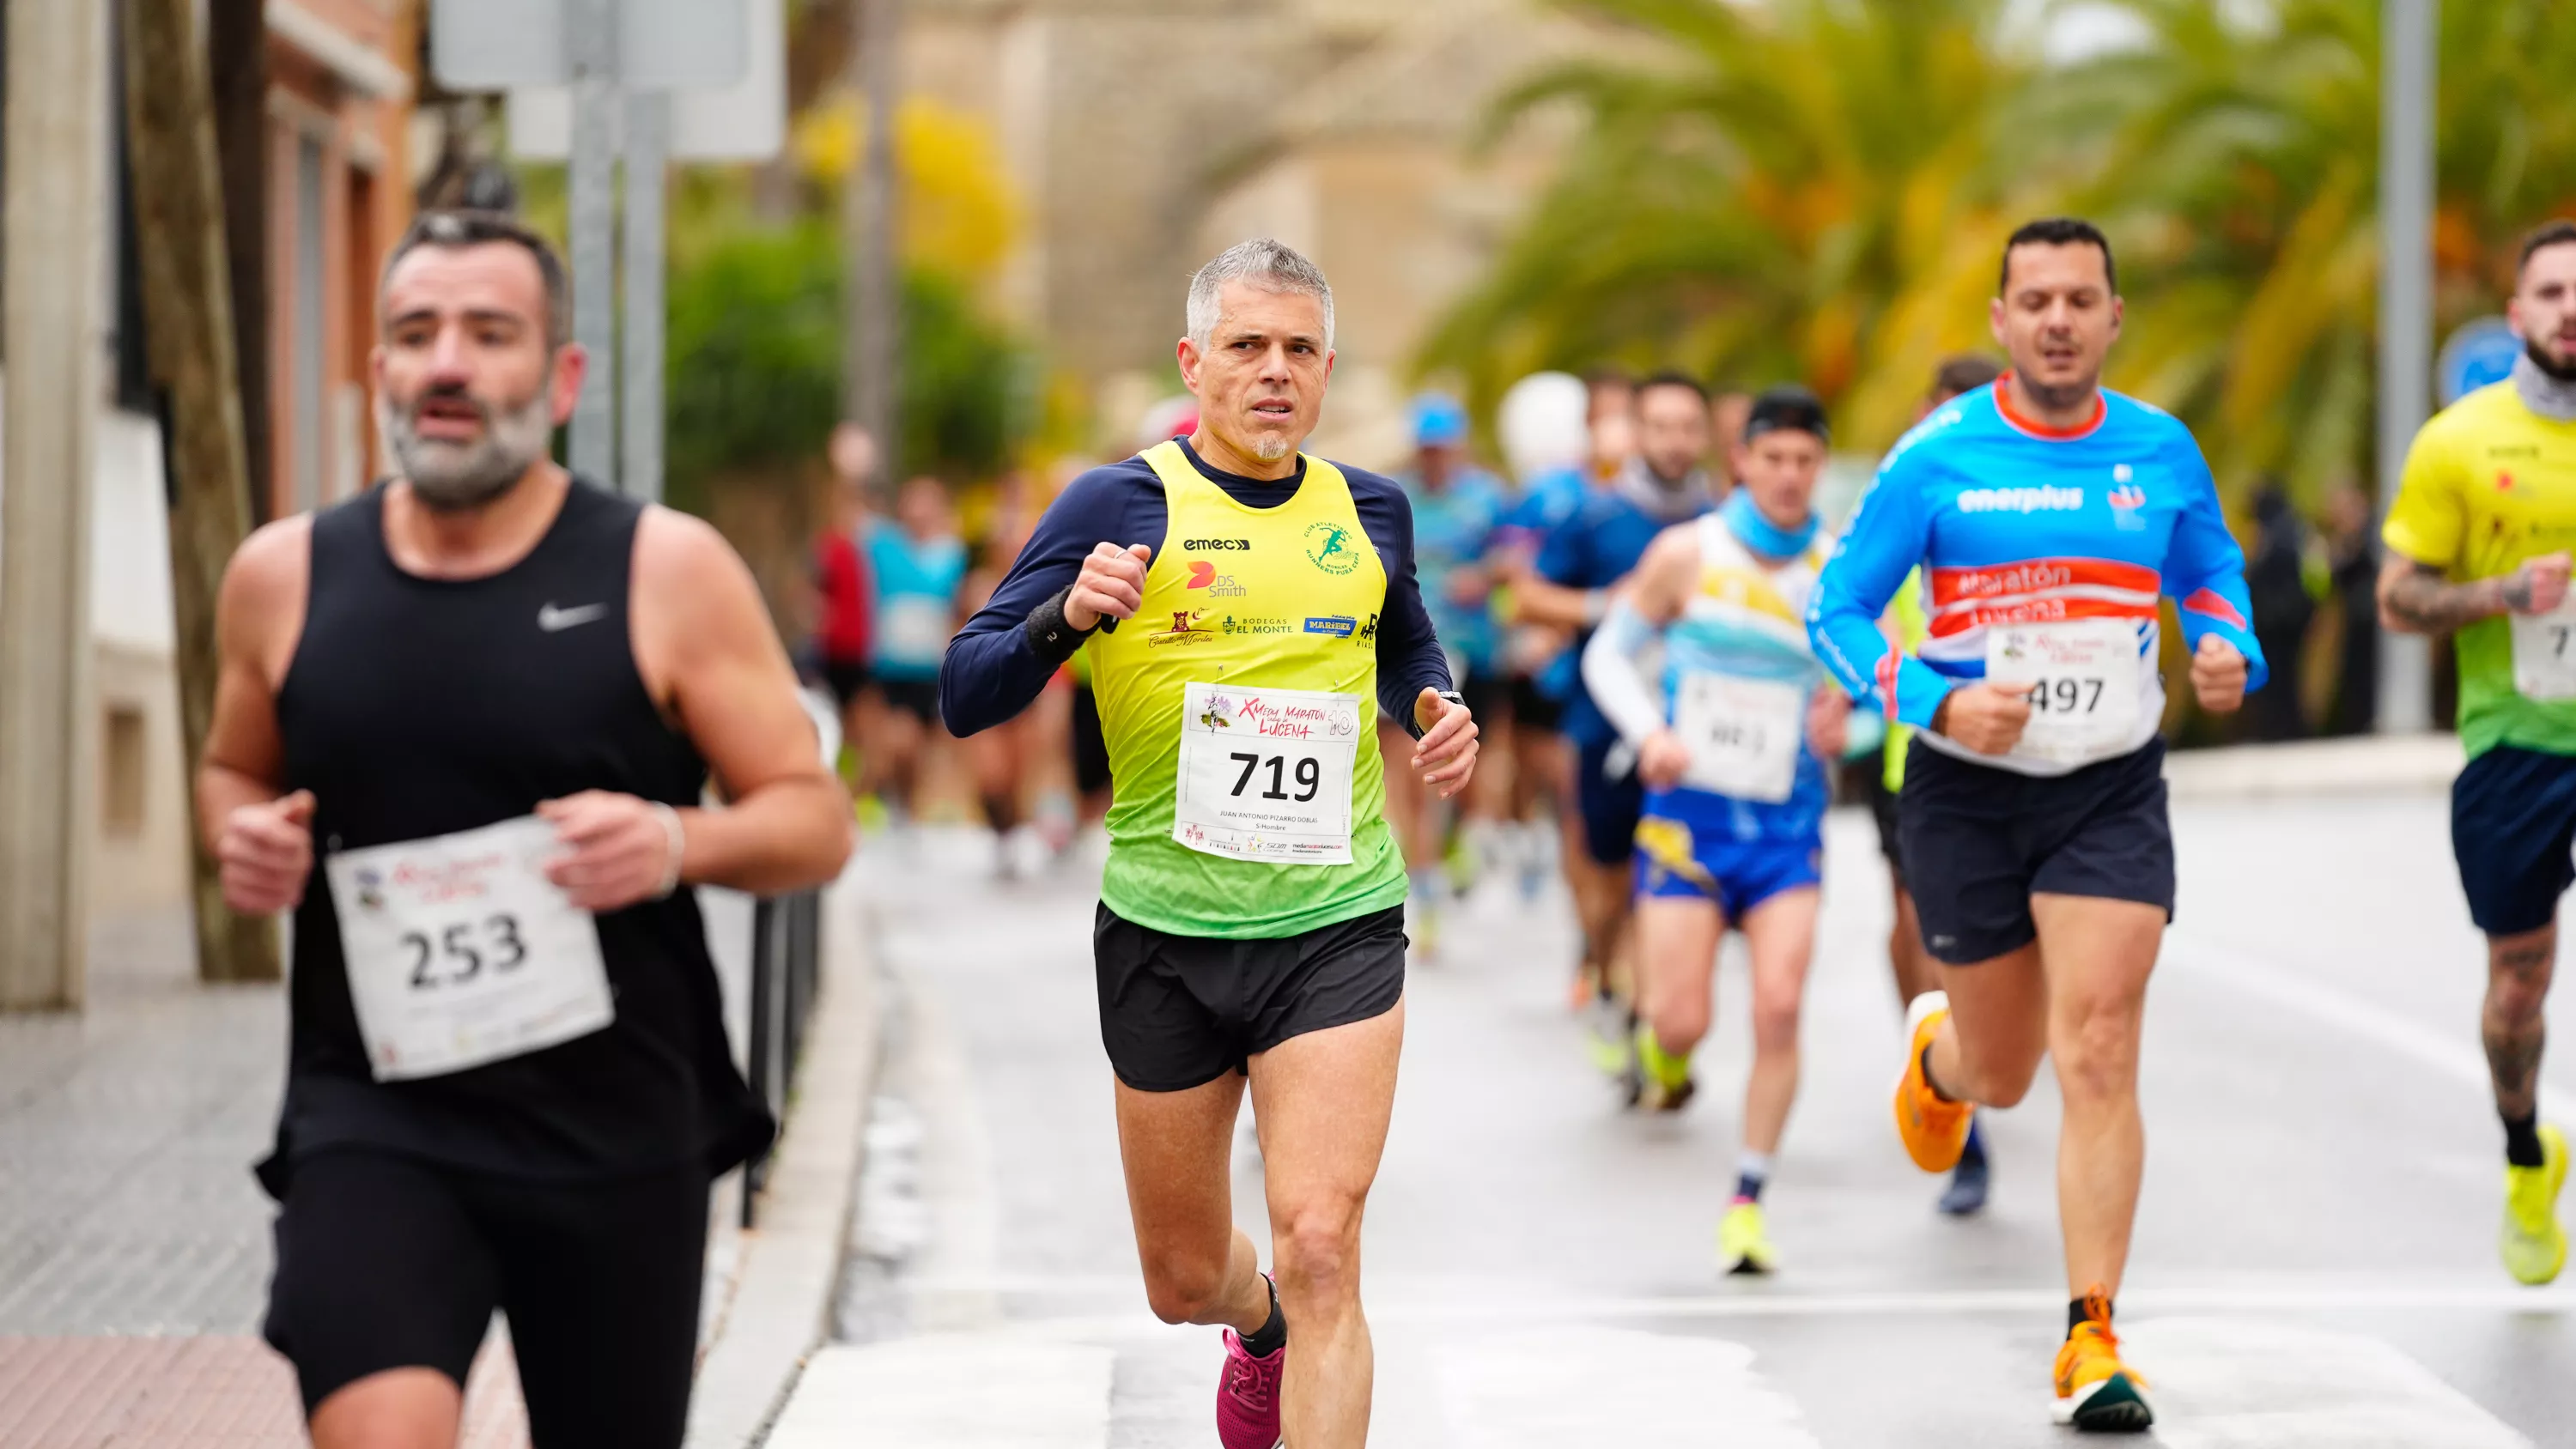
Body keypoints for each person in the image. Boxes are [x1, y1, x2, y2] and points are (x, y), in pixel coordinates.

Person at [199, 210, 852, 1449]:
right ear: (381, 371)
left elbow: (813, 823)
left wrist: (672, 843)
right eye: (415, 334)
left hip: (614, 1137)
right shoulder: (283, 576)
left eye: (489, 333)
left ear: (561, 378)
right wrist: (247, 837)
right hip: (374, 1116)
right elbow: (231, 768)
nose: (448, 364)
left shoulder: (665, 569)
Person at [940, 239, 1478, 1449]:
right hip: (1165, 935)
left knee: (1326, 1241)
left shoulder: (1370, 509)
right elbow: (965, 691)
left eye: (1298, 350)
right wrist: (1062, 616)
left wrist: (1436, 709)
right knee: (1183, 1281)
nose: (1274, 372)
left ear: (1328, 367)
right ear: (1196, 364)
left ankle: (1303, 1316)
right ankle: (1259, 1323)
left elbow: (1403, 645)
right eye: (1247, 347)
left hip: (1336, 920)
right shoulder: (1113, 504)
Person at [1809, 216, 2263, 1433]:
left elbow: (2215, 573)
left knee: (2101, 1043)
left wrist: (2229, 644)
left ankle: (2093, 1339)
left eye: (2081, 299)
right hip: (1964, 789)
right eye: (2036, 301)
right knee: (2003, 1073)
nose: (2059, 319)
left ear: (2114, 319)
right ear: (2003, 323)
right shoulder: (1936, 457)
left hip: (2110, 785)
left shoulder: (2161, 452)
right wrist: (1939, 697)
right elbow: (1837, 613)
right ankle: (1940, 1059)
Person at [1581, 385, 1848, 1274]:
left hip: (1786, 830)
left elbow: (1882, 684)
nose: (1787, 475)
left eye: (1805, 461)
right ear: (1741, 460)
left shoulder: (1839, 567)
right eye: (1772, 458)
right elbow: (1606, 654)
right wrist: (1648, 733)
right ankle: (1659, 1043)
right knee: (1685, 1022)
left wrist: (1853, 716)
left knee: (1778, 1004)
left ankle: (1748, 1196)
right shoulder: (1687, 552)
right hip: (1686, 829)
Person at [2377, 218, 2576, 1288]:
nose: (2569, 309)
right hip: (2517, 745)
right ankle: (2523, 1149)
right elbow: (2396, 598)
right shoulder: (2459, 441)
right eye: (2550, 292)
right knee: (2517, 987)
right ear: (2517, 314)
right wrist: (2503, 592)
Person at [1511, 372, 1717, 1088]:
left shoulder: (1723, 524)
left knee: (1674, 879)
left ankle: (1655, 1017)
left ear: (1706, 433)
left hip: (1698, 736)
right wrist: (1609, 607)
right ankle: (1606, 979)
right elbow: (1528, 599)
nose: (1674, 440)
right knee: (1605, 886)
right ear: (1635, 430)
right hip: (1602, 725)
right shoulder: (1596, 516)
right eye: (1659, 425)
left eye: (1687, 426)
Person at [1871, 352, 2003, 1217]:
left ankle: (1961, 1045)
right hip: (1913, 756)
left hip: (2026, 757)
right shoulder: (1903, 490)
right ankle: (1959, 1106)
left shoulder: (2018, 501)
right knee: (1917, 929)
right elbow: (1854, 603)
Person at [1385, 391, 1510, 954]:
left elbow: (1518, 560)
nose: (1433, 457)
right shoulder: (1396, 496)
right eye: (1425, 447)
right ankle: (1424, 883)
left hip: (1471, 650)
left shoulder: (1487, 497)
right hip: (1405, 656)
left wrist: (1481, 576)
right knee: (1409, 772)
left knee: (1465, 770)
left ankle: (1461, 841)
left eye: (1442, 447)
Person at [861, 475, 969, 821]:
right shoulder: (883, 546)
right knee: (898, 740)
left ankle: (906, 810)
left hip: (933, 669)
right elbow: (852, 512)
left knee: (921, 749)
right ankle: (890, 802)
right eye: (914, 501)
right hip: (893, 669)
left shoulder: (951, 554)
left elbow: (958, 607)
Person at [811, 425, 878, 783]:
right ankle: (837, 787)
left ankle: (859, 793)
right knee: (834, 726)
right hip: (833, 650)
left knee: (863, 732)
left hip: (865, 650)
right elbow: (813, 592)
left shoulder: (874, 544)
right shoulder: (829, 545)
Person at [2245, 480, 2316, 741]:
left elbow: (2263, 577)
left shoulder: (2275, 535)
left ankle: (2282, 731)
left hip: (2276, 623)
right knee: (2287, 681)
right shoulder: (2297, 529)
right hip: (2292, 620)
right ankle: (2288, 730)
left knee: (2277, 683)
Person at [2321, 482, 2379, 737]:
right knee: (2352, 675)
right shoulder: (2346, 540)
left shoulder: (2371, 534)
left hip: (2373, 620)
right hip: (2355, 621)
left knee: (2368, 674)